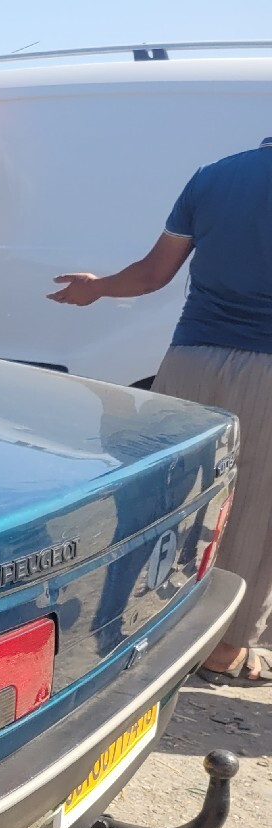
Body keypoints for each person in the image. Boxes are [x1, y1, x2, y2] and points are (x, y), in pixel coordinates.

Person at [48, 135, 272, 684]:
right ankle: (223, 648)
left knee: (178, 499)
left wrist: (96, 288)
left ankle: (147, 618)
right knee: (256, 512)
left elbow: (153, 275)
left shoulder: (215, 176)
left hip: (191, 361)